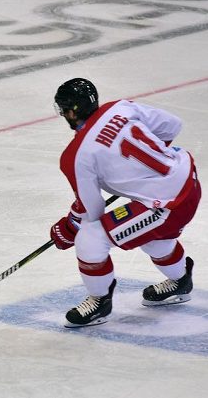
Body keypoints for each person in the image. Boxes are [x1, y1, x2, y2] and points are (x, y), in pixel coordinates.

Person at [49, 78, 201, 327]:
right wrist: (139, 170)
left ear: (71, 111)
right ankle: (180, 280)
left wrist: (69, 228)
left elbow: (91, 210)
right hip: (189, 183)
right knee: (152, 238)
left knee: (91, 239)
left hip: (165, 205)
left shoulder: (75, 156)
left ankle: (99, 301)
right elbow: (173, 126)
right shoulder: (120, 108)